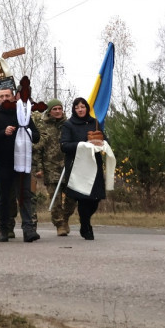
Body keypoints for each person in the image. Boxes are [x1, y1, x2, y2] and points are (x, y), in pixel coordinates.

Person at [0, 78, 41, 243]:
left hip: (22, 164)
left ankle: (28, 229)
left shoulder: (23, 115)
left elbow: (36, 136)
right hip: (3, 164)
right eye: (1, 96)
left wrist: (26, 132)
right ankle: (4, 229)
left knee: (25, 195)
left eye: (7, 95)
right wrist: (4, 132)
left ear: (13, 97)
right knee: (4, 197)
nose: (4, 99)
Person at [60, 97, 111, 241]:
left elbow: (105, 139)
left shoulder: (94, 122)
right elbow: (64, 146)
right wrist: (83, 144)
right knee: (83, 198)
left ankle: (85, 221)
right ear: (74, 109)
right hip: (78, 166)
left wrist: (103, 144)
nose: (80, 110)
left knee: (95, 199)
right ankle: (86, 226)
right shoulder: (68, 125)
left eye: (82, 107)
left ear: (87, 108)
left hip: (94, 166)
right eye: (77, 107)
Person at [34, 99, 72, 235]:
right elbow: (38, 149)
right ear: (49, 111)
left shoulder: (68, 125)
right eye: (54, 109)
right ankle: (59, 224)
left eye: (59, 109)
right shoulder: (43, 126)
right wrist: (39, 167)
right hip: (50, 167)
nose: (57, 111)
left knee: (72, 197)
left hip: (68, 167)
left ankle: (66, 218)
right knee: (55, 199)